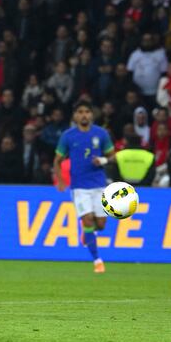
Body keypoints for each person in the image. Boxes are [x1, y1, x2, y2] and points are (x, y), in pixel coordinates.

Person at [53, 100, 116, 273]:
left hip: (99, 185)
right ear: (75, 116)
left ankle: (88, 233)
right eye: (80, 111)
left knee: (101, 224)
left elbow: (113, 156)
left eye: (87, 111)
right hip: (79, 186)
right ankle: (97, 261)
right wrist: (60, 180)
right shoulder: (68, 136)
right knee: (87, 220)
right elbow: (57, 160)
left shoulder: (101, 134)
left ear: (92, 115)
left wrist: (102, 160)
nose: (84, 115)